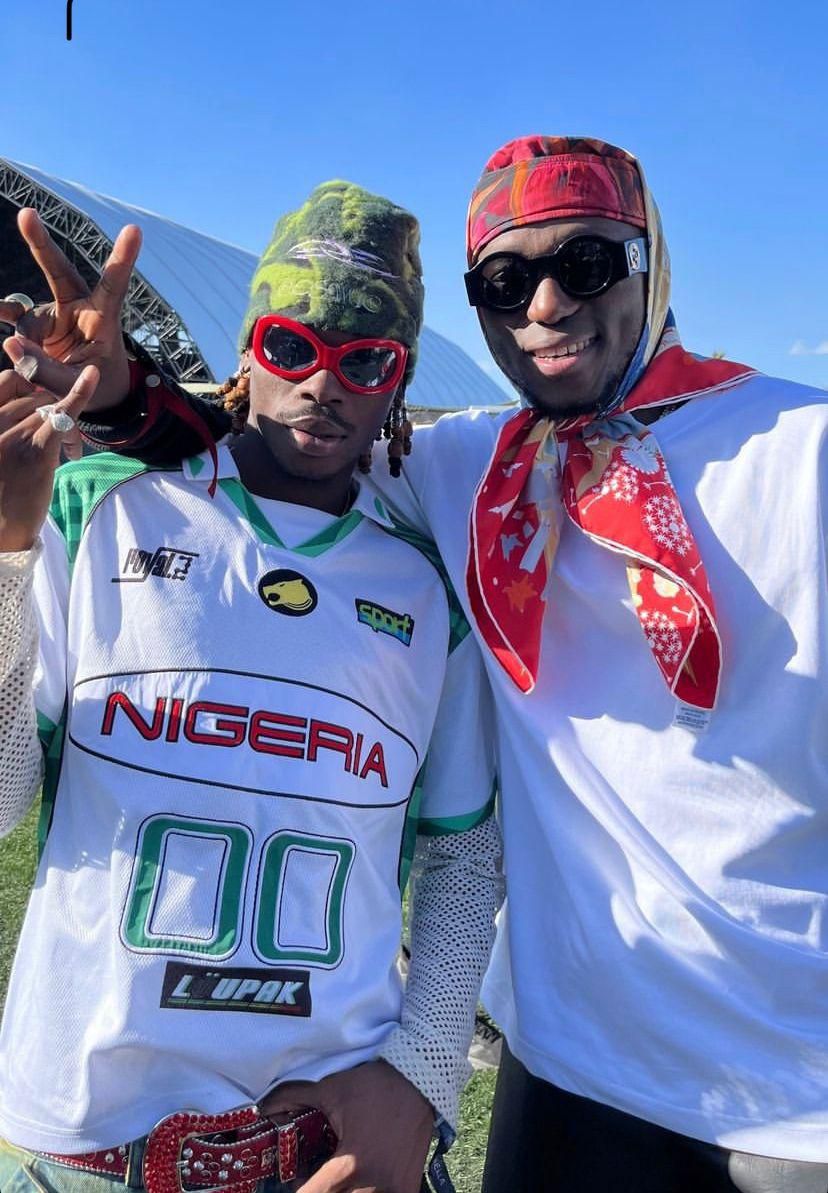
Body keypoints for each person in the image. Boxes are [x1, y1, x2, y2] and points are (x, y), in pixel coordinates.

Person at [8, 136, 828, 1193]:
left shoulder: (798, 453)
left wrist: (426, 1067)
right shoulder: (461, 470)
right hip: (569, 1080)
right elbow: (239, 458)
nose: (543, 304)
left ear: (651, 262)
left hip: (795, 1100)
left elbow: (461, 851)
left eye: (584, 264)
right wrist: (117, 410)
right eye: (504, 277)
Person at [0, 181, 502, 1193]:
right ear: (243, 353)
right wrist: (7, 557)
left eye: (366, 360)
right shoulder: (99, 506)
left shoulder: (426, 580)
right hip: (86, 1146)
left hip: (329, 1149)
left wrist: (426, 1069)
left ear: (397, 382)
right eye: (290, 345)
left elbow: (466, 851)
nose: (325, 382)